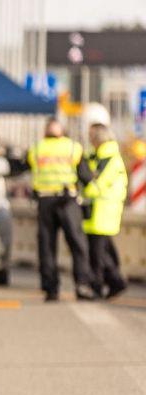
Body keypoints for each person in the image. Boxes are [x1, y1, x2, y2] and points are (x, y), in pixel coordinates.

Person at [25, 118, 97, 302]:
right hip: (68, 201)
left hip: (45, 200)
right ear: (63, 132)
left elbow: (22, 166)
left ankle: (50, 289)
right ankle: (82, 284)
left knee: (47, 246)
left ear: (45, 131)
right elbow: (86, 176)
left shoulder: (37, 148)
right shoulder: (73, 148)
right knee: (77, 244)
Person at [79, 123, 128, 299]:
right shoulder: (97, 156)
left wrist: (85, 185)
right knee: (105, 252)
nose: (90, 140)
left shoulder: (110, 159)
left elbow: (96, 186)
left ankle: (100, 286)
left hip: (103, 212)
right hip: (96, 213)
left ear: (99, 138)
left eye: (92, 137)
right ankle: (116, 282)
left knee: (97, 254)